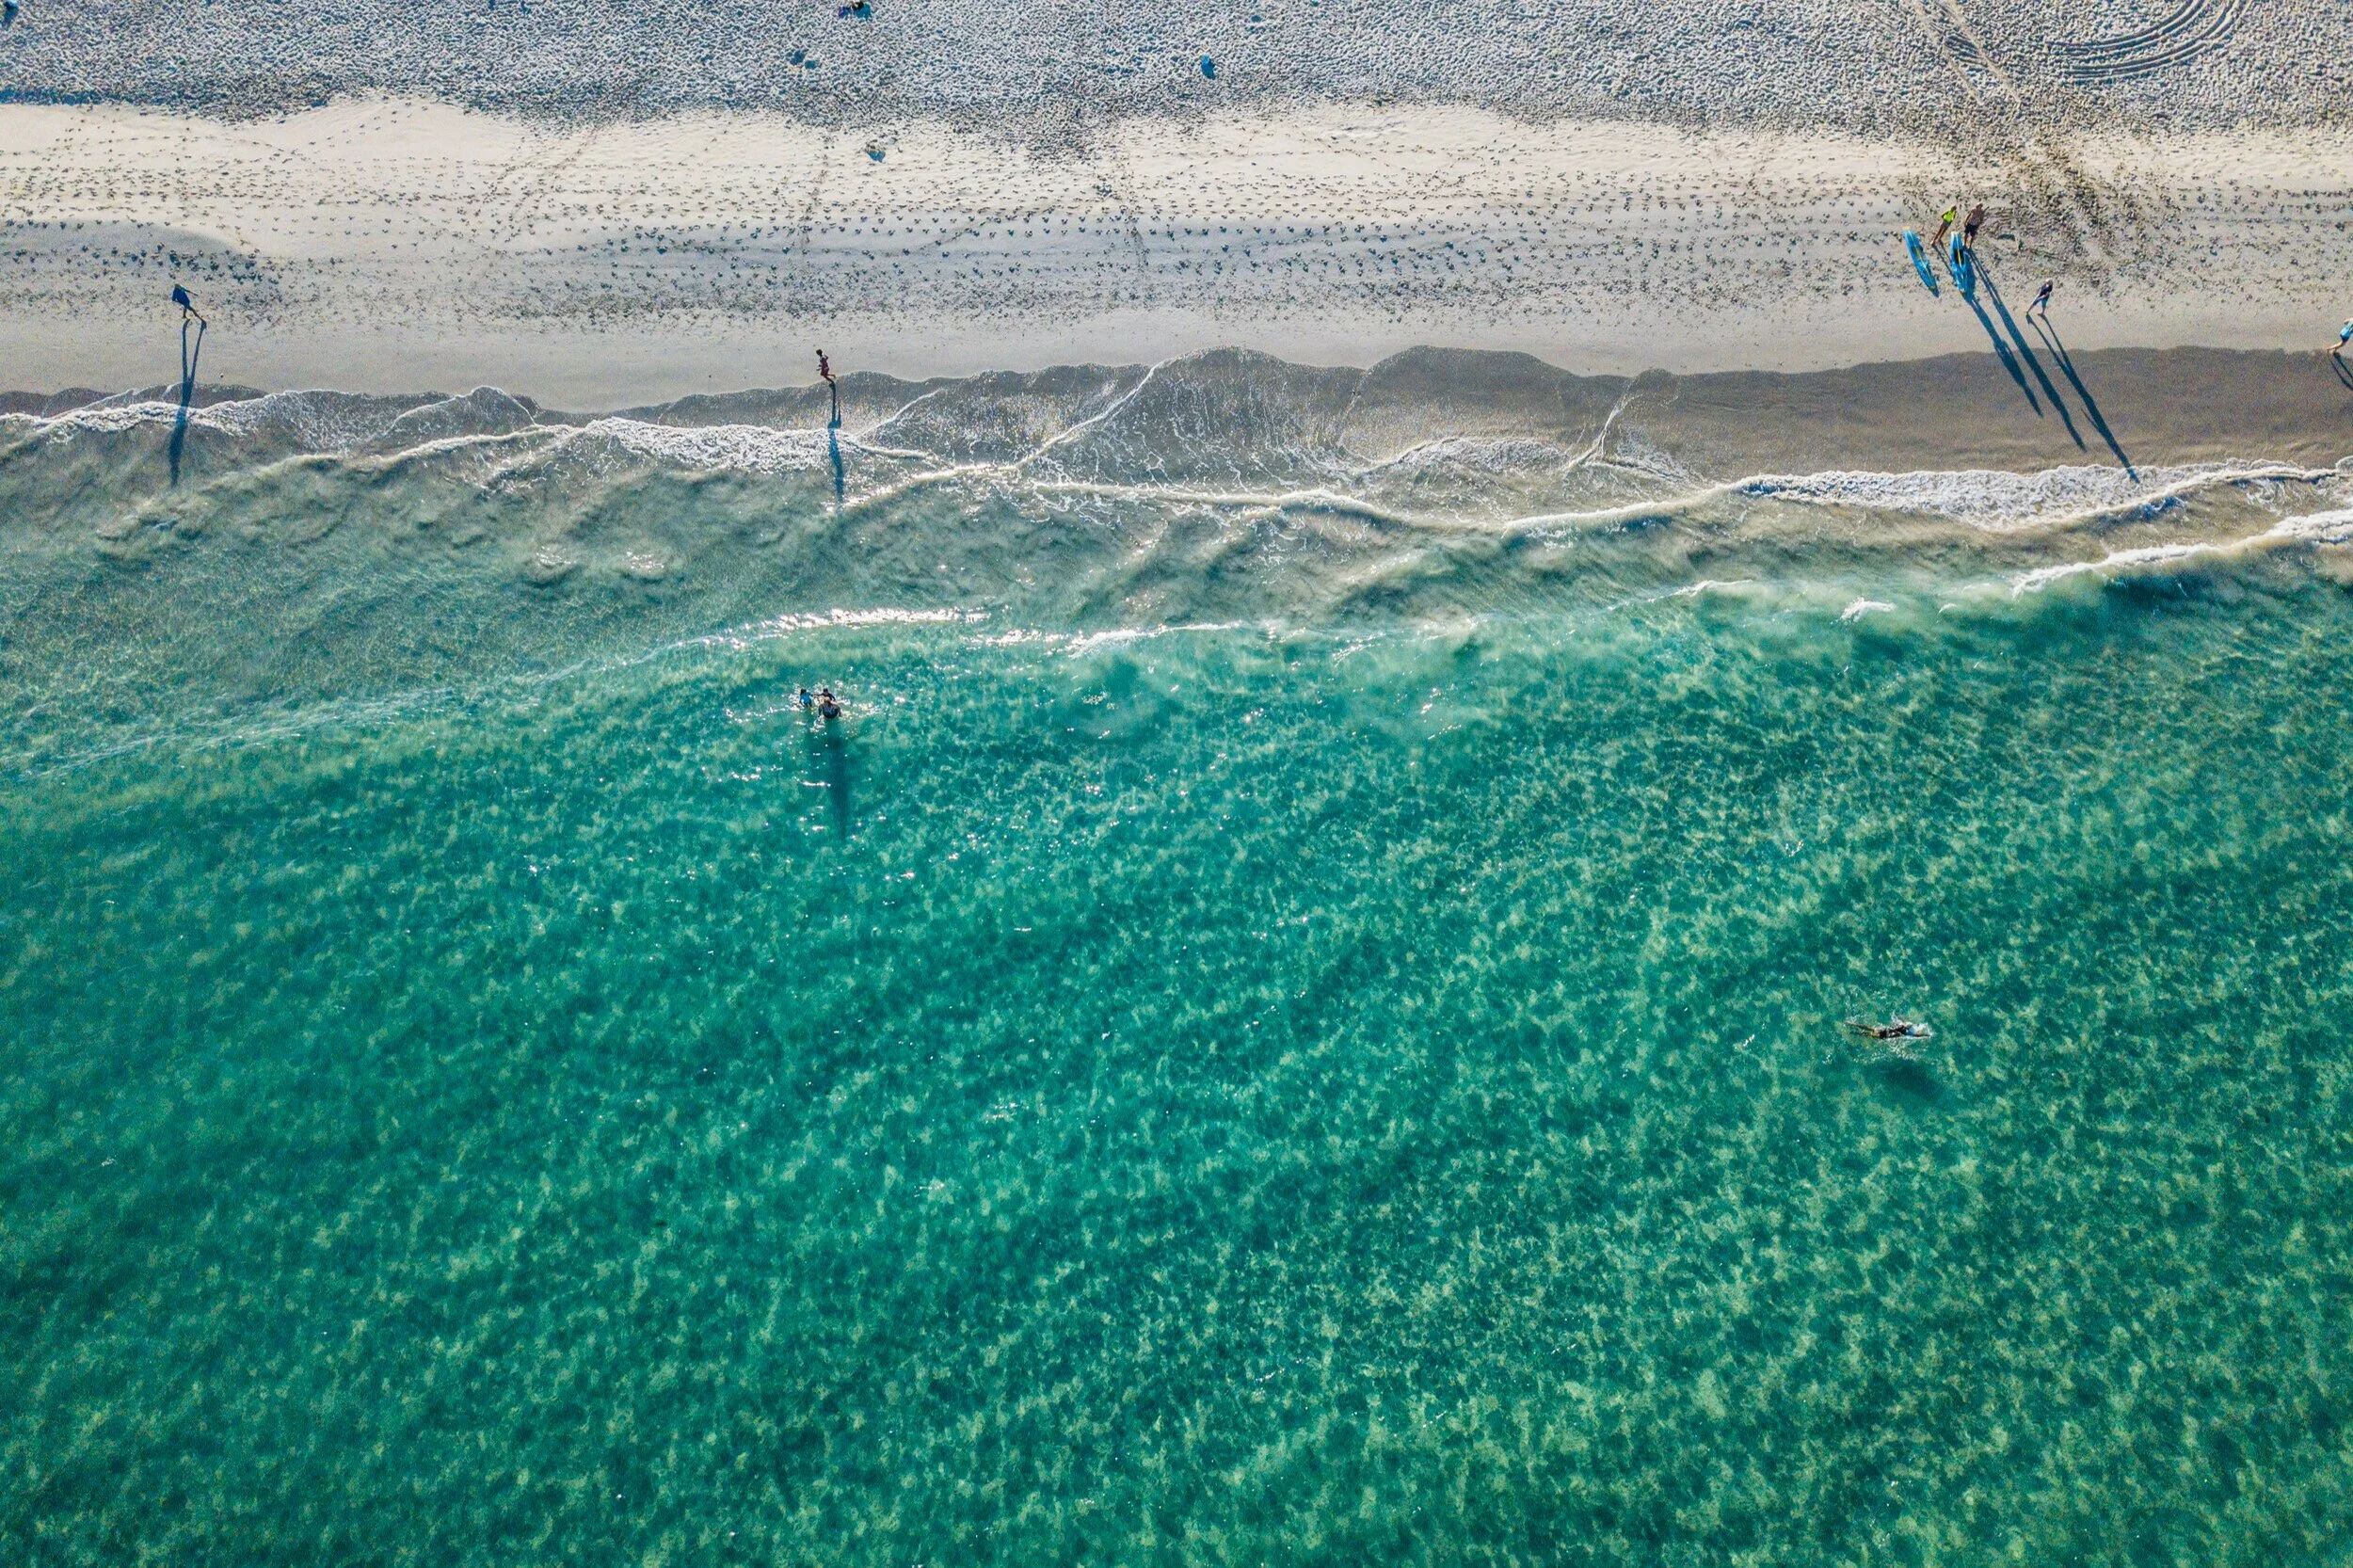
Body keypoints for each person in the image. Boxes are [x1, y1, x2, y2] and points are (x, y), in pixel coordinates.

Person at [817, 347, 838, 423]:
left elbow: (823, 363)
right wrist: (820, 367)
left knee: (824, 375)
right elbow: (827, 358)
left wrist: (821, 368)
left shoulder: (821, 358)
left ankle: (832, 381)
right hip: (826, 368)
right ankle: (832, 377)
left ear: (818, 354)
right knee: (824, 375)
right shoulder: (823, 356)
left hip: (825, 368)